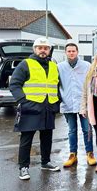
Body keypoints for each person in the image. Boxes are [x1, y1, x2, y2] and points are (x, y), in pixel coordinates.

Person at [10, 37, 61, 180]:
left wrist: (57, 103)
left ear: (49, 50)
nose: (43, 50)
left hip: (48, 107)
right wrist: (23, 101)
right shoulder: (25, 64)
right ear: (35, 49)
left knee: (47, 138)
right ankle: (23, 167)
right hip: (30, 107)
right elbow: (14, 84)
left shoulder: (53, 66)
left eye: (45, 48)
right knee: (26, 139)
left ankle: (46, 162)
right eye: (40, 48)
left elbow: (56, 85)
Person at [58, 43, 94, 168]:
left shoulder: (86, 66)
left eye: (73, 51)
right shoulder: (59, 67)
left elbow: (91, 83)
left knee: (86, 130)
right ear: (65, 52)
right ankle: (73, 155)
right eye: (69, 51)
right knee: (72, 131)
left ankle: (90, 154)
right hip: (67, 103)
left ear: (77, 52)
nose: (71, 53)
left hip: (83, 103)